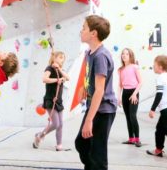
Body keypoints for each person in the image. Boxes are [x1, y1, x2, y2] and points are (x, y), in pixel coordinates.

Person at [75, 15, 117, 170]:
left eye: (84, 28)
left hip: (103, 109)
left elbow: (100, 90)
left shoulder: (101, 56)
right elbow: (91, 78)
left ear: (93, 33)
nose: (81, 31)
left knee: (98, 153)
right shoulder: (90, 53)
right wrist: (84, 88)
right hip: (94, 106)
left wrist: (88, 120)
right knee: (82, 143)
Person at [33, 51, 70, 151]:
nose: (61, 59)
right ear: (54, 58)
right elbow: (44, 79)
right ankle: (40, 136)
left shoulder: (61, 70)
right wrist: (56, 80)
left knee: (60, 124)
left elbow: (67, 78)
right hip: (50, 100)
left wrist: (59, 70)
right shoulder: (49, 68)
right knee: (55, 124)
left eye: (63, 58)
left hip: (59, 101)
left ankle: (59, 145)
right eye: (60, 57)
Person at [118, 48, 142, 147]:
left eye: (126, 54)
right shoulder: (120, 70)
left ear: (130, 56)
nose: (124, 55)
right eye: (123, 54)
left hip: (134, 93)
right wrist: (118, 97)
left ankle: (137, 139)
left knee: (133, 116)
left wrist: (134, 94)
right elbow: (120, 85)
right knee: (128, 117)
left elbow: (140, 82)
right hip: (125, 93)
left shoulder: (135, 67)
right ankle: (131, 139)